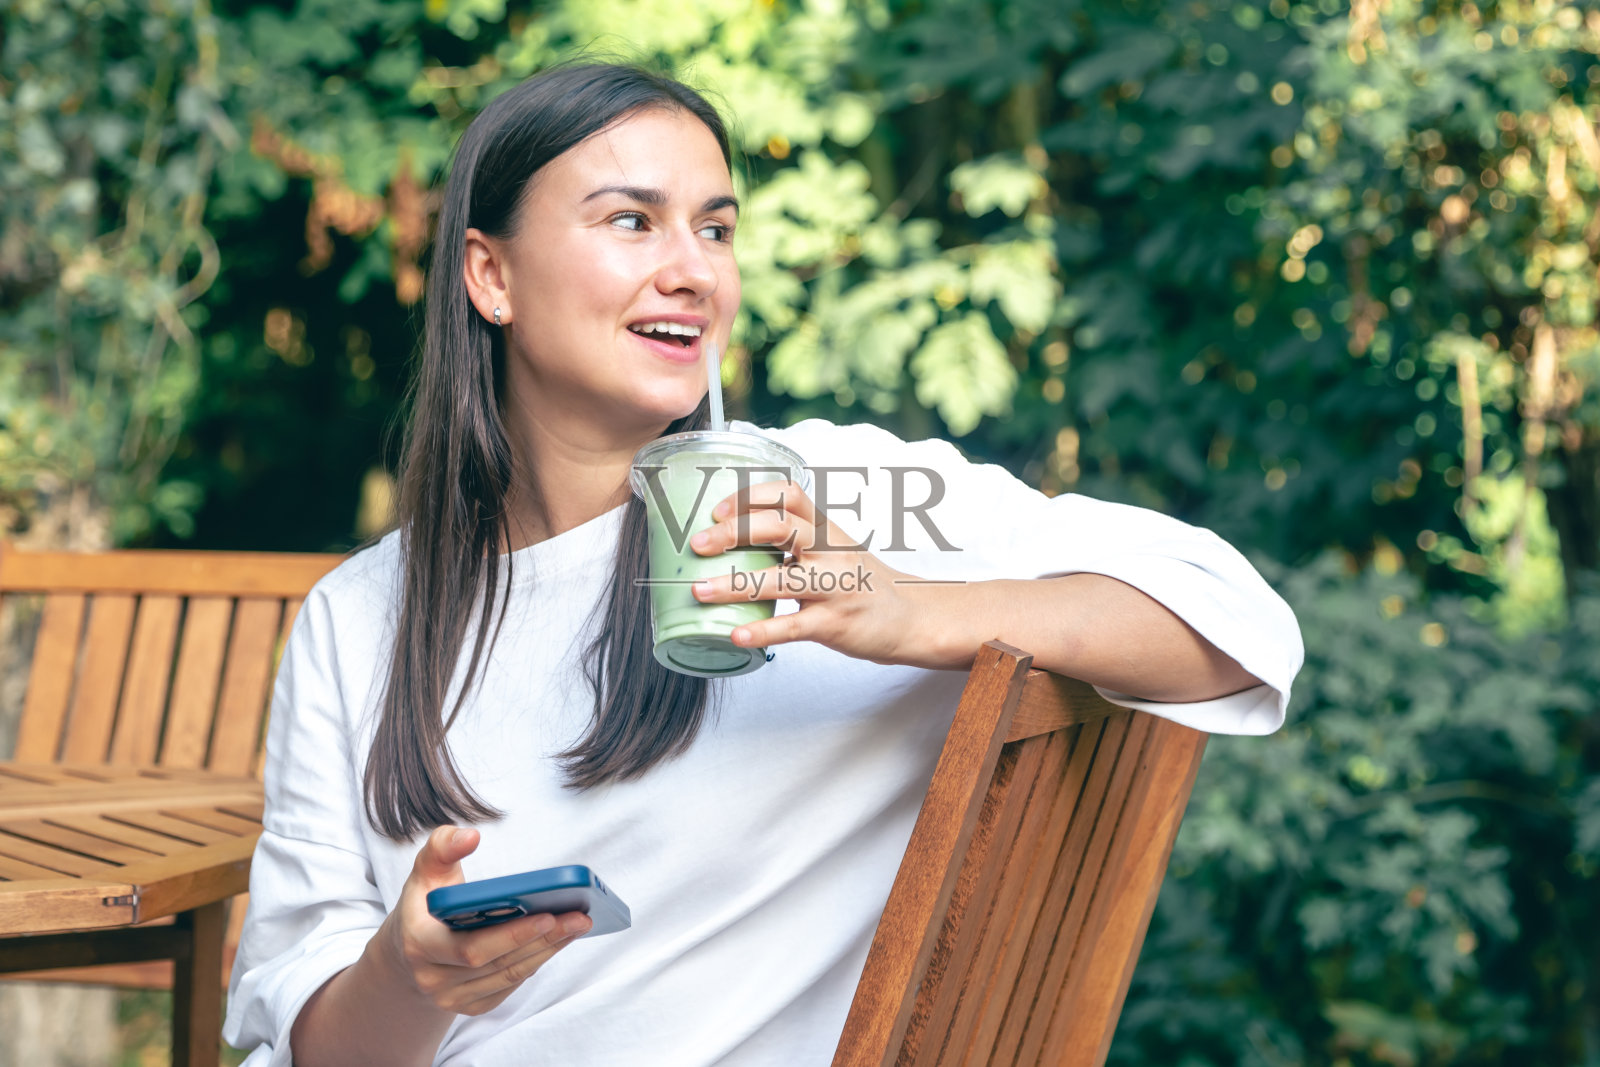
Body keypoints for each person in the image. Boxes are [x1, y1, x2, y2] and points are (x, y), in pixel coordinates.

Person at [223, 62, 1303, 1067]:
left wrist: (912, 610)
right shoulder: (361, 613)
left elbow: (1234, 624)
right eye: (632, 220)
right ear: (490, 274)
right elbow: (314, 1036)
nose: (694, 270)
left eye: (716, 229)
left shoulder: (830, 501)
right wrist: (409, 976)